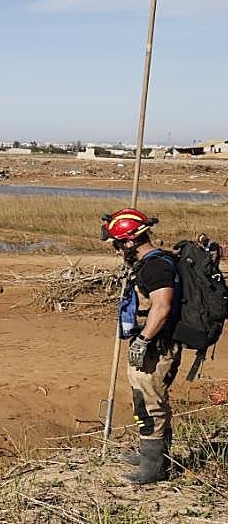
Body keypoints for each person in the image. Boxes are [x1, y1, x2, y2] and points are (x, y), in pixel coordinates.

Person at [104, 207, 180, 484]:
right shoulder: (147, 264)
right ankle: (154, 455)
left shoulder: (155, 266)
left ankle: (153, 468)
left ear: (129, 242)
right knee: (146, 400)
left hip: (156, 347)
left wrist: (143, 341)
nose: (115, 250)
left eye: (116, 244)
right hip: (150, 343)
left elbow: (162, 307)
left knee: (149, 404)